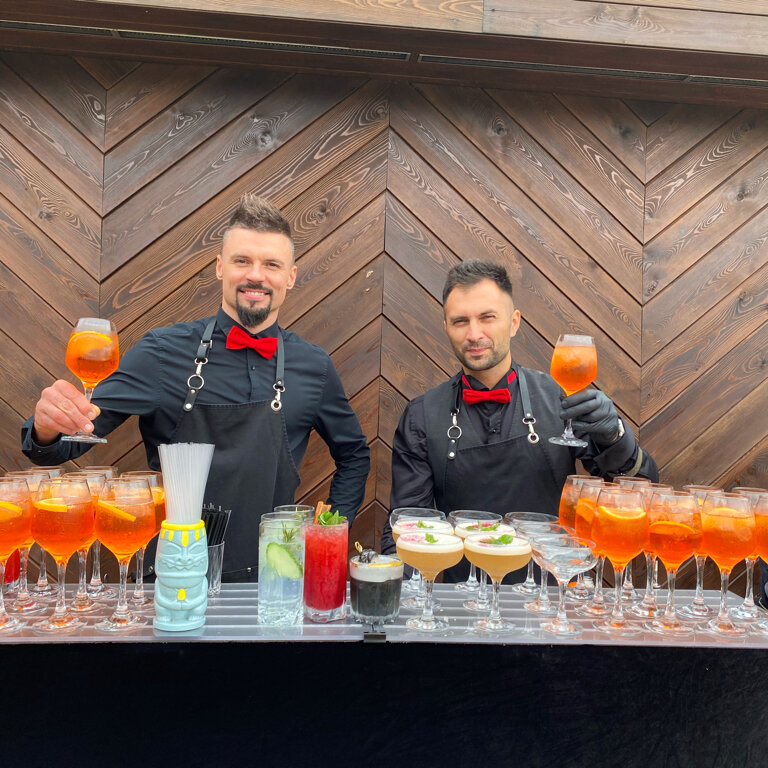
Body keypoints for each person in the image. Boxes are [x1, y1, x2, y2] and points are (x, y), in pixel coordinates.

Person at [22, 194, 370, 581]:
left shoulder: (315, 366)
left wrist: (328, 535)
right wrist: (47, 427)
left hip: (272, 579)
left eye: (271, 264)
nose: (256, 275)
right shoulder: (161, 352)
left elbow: (354, 455)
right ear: (220, 267)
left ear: (290, 276)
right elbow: (69, 440)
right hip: (171, 576)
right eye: (242, 261)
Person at [384, 260, 658, 581]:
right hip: (464, 598)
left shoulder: (561, 399)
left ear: (514, 323)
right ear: (446, 327)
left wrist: (615, 436)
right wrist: (396, 592)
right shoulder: (421, 416)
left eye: (487, 318)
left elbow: (642, 493)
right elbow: (407, 528)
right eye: (460, 321)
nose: (474, 334)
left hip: (554, 593)